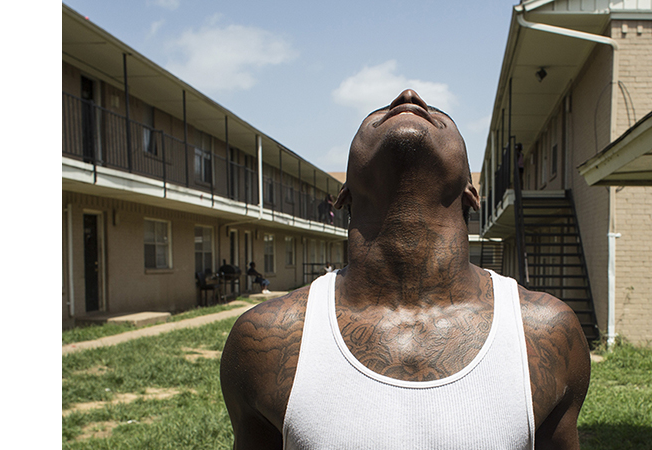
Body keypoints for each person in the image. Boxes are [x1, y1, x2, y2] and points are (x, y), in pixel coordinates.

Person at [221, 89, 590, 449]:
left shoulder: (545, 332)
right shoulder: (267, 338)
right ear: (343, 194)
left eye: (440, 115)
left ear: (471, 192)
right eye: (379, 114)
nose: (408, 97)